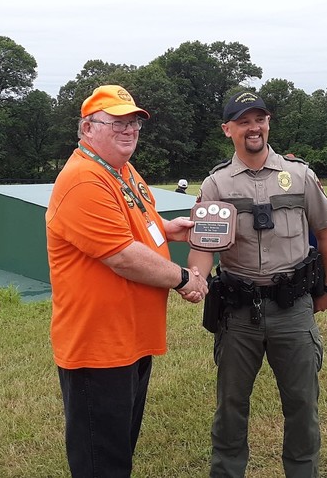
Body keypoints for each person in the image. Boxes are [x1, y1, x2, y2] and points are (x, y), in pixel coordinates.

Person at [45, 84, 208, 478]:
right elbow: (121, 256)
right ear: (87, 128)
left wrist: (167, 228)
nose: (129, 130)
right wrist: (184, 278)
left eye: (134, 122)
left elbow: (133, 221)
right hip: (99, 347)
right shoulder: (84, 180)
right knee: (102, 462)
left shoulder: (121, 170)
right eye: (117, 123)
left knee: (119, 449)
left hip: (129, 339)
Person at [187, 91, 327, 478]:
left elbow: (325, 233)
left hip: (293, 309)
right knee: (231, 405)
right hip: (238, 313)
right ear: (228, 130)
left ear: (268, 123)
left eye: (260, 119)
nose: (253, 128)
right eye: (243, 121)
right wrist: (197, 279)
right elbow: (203, 246)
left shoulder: (300, 175)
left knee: (302, 404)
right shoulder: (216, 184)